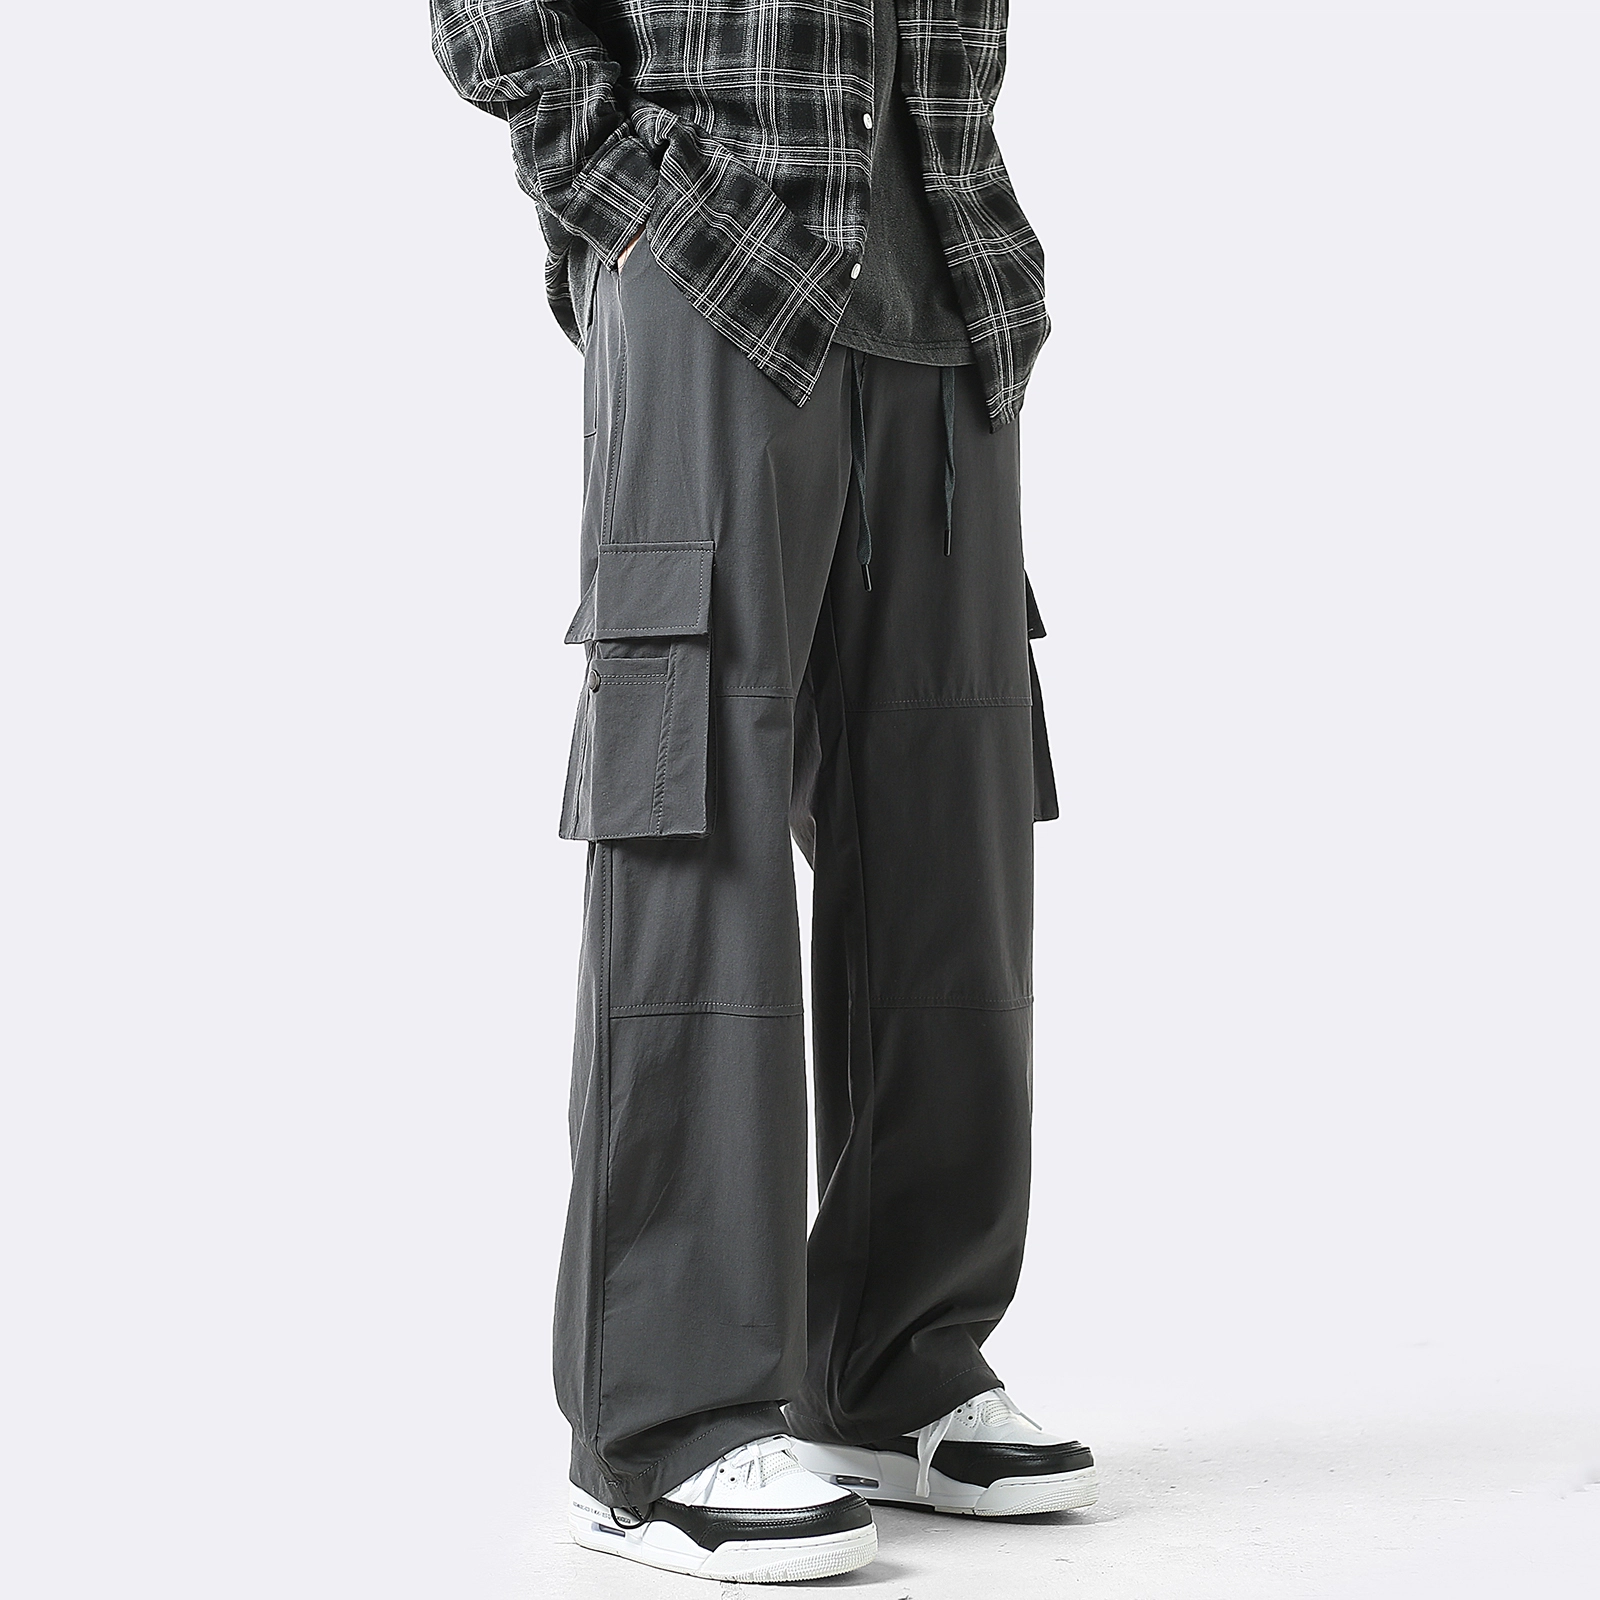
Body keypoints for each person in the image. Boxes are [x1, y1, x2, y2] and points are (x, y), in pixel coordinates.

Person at [430, 0, 1095, 1582]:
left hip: (948, 277)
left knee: (952, 843)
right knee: (696, 819)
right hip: (719, 257)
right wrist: (621, 186)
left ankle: (896, 1358)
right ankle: (660, 1427)